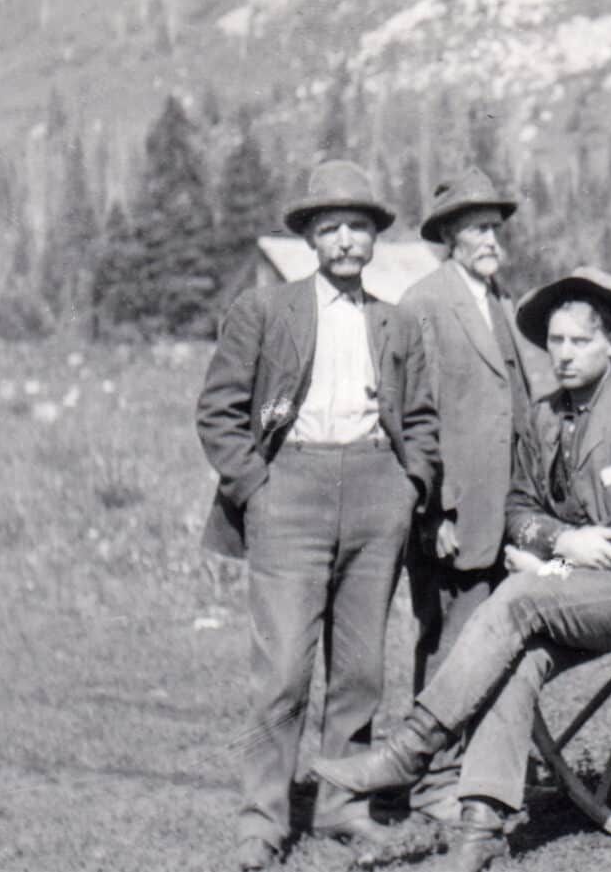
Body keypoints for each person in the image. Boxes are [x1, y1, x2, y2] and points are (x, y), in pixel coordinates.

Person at [313, 267, 611, 872]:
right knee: (516, 661)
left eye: (578, 342)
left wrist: (549, 558)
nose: (562, 356)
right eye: (555, 342)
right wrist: (561, 539)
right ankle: (481, 828)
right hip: (580, 589)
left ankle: (410, 749)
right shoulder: (544, 418)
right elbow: (519, 507)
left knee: (519, 596)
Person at [194, 159, 440, 870]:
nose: (344, 240)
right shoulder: (265, 311)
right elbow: (219, 411)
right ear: (309, 237)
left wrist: (408, 486)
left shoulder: (394, 322)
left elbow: (420, 417)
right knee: (282, 675)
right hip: (288, 492)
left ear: (372, 238)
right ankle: (262, 820)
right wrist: (257, 488)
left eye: (357, 227)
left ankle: (342, 806)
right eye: (329, 227)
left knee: (361, 668)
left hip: (376, 493)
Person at [394, 167, 544, 823]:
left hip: (500, 506)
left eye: (495, 227)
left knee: (494, 643)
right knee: (449, 641)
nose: (492, 238)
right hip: (456, 514)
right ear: (450, 235)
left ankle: (485, 774)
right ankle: (431, 783)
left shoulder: (495, 298)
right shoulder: (425, 302)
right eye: (478, 228)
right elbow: (414, 415)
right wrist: (435, 512)